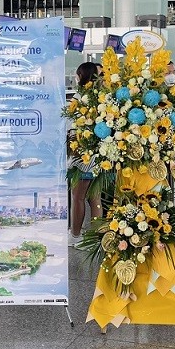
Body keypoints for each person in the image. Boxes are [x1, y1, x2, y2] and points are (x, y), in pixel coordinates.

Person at [67, 62, 102, 247]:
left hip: (83, 154)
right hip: (98, 153)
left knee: (78, 196)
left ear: (81, 76)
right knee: (95, 197)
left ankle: (75, 235)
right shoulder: (100, 97)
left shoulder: (81, 98)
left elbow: (73, 125)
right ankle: (95, 238)